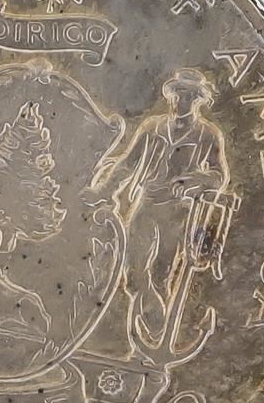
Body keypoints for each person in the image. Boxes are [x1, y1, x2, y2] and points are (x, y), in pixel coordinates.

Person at [98, 68, 230, 353]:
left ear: (196, 100)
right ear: (172, 96)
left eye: (188, 96)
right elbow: (128, 164)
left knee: (162, 274)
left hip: (179, 213)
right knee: (132, 270)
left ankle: (151, 341)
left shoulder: (207, 134)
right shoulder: (152, 127)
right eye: (178, 95)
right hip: (146, 205)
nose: (181, 101)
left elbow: (218, 176)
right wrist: (104, 192)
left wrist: (192, 181)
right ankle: (155, 324)